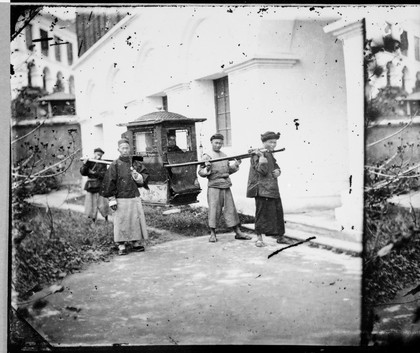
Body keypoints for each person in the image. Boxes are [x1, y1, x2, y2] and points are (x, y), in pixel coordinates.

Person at [198, 133, 252, 243]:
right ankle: (213, 233)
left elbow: (227, 171)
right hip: (214, 186)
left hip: (226, 185)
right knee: (214, 210)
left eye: (220, 143)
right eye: (216, 143)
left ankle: (238, 232)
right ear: (211, 143)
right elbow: (201, 172)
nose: (218, 145)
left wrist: (236, 164)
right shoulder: (207, 156)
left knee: (231, 209)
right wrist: (207, 168)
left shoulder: (224, 155)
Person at [101, 138, 149, 255]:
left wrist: (137, 176)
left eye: (127, 148)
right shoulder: (114, 165)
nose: (125, 150)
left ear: (130, 149)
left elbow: (145, 176)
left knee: (134, 220)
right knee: (121, 221)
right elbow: (109, 182)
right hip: (120, 197)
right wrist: (112, 199)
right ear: (119, 149)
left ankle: (135, 243)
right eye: (123, 148)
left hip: (133, 196)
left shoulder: (136, 163)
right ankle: (121, 245)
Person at [246, 131, 291, 247]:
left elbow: (275, 165)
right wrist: (261, 156)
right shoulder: (256, 154)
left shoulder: (270, 153)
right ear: (264, 142)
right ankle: (259, 238)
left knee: (278, 213)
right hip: (261, 189)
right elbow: (262, 171)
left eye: (275, 142)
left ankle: (280, 237)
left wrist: (278, 171)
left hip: (272, 188)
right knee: (262, 214)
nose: (273, 144)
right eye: (271, 142)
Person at [80, 148, 110, 226]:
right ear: (94, 154)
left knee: (103, 204)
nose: (99, 156)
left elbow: (104, 175)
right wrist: (85, 164)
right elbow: (83, 172)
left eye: (100, 155)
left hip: (100, 186)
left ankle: (106, 220)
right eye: (97, 154)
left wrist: (95, 173)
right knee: (92, 206)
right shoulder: (89, 162)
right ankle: (93, 221)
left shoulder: (103, 163)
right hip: (91, 186)